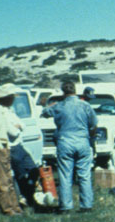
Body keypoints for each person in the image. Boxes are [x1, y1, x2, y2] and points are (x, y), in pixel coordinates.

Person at [41, 80, 98, 213]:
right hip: (82, 141)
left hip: (65, 141)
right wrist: (90, 137)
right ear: (75, 90)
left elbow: (44, 113)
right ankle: (86, 205)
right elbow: (94, 124)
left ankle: (66, 206)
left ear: (63, 92)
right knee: (84, 174)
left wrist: (49, 105)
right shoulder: (85, 105)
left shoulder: (59, 106)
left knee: (65, 175)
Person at [0, 84, 25, 215]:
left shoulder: (3, 110)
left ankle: (14, 207)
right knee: (3, 180)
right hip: (0, 149)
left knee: (8, 178)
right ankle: (8, 208)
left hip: (4, 148)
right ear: (6, 98)